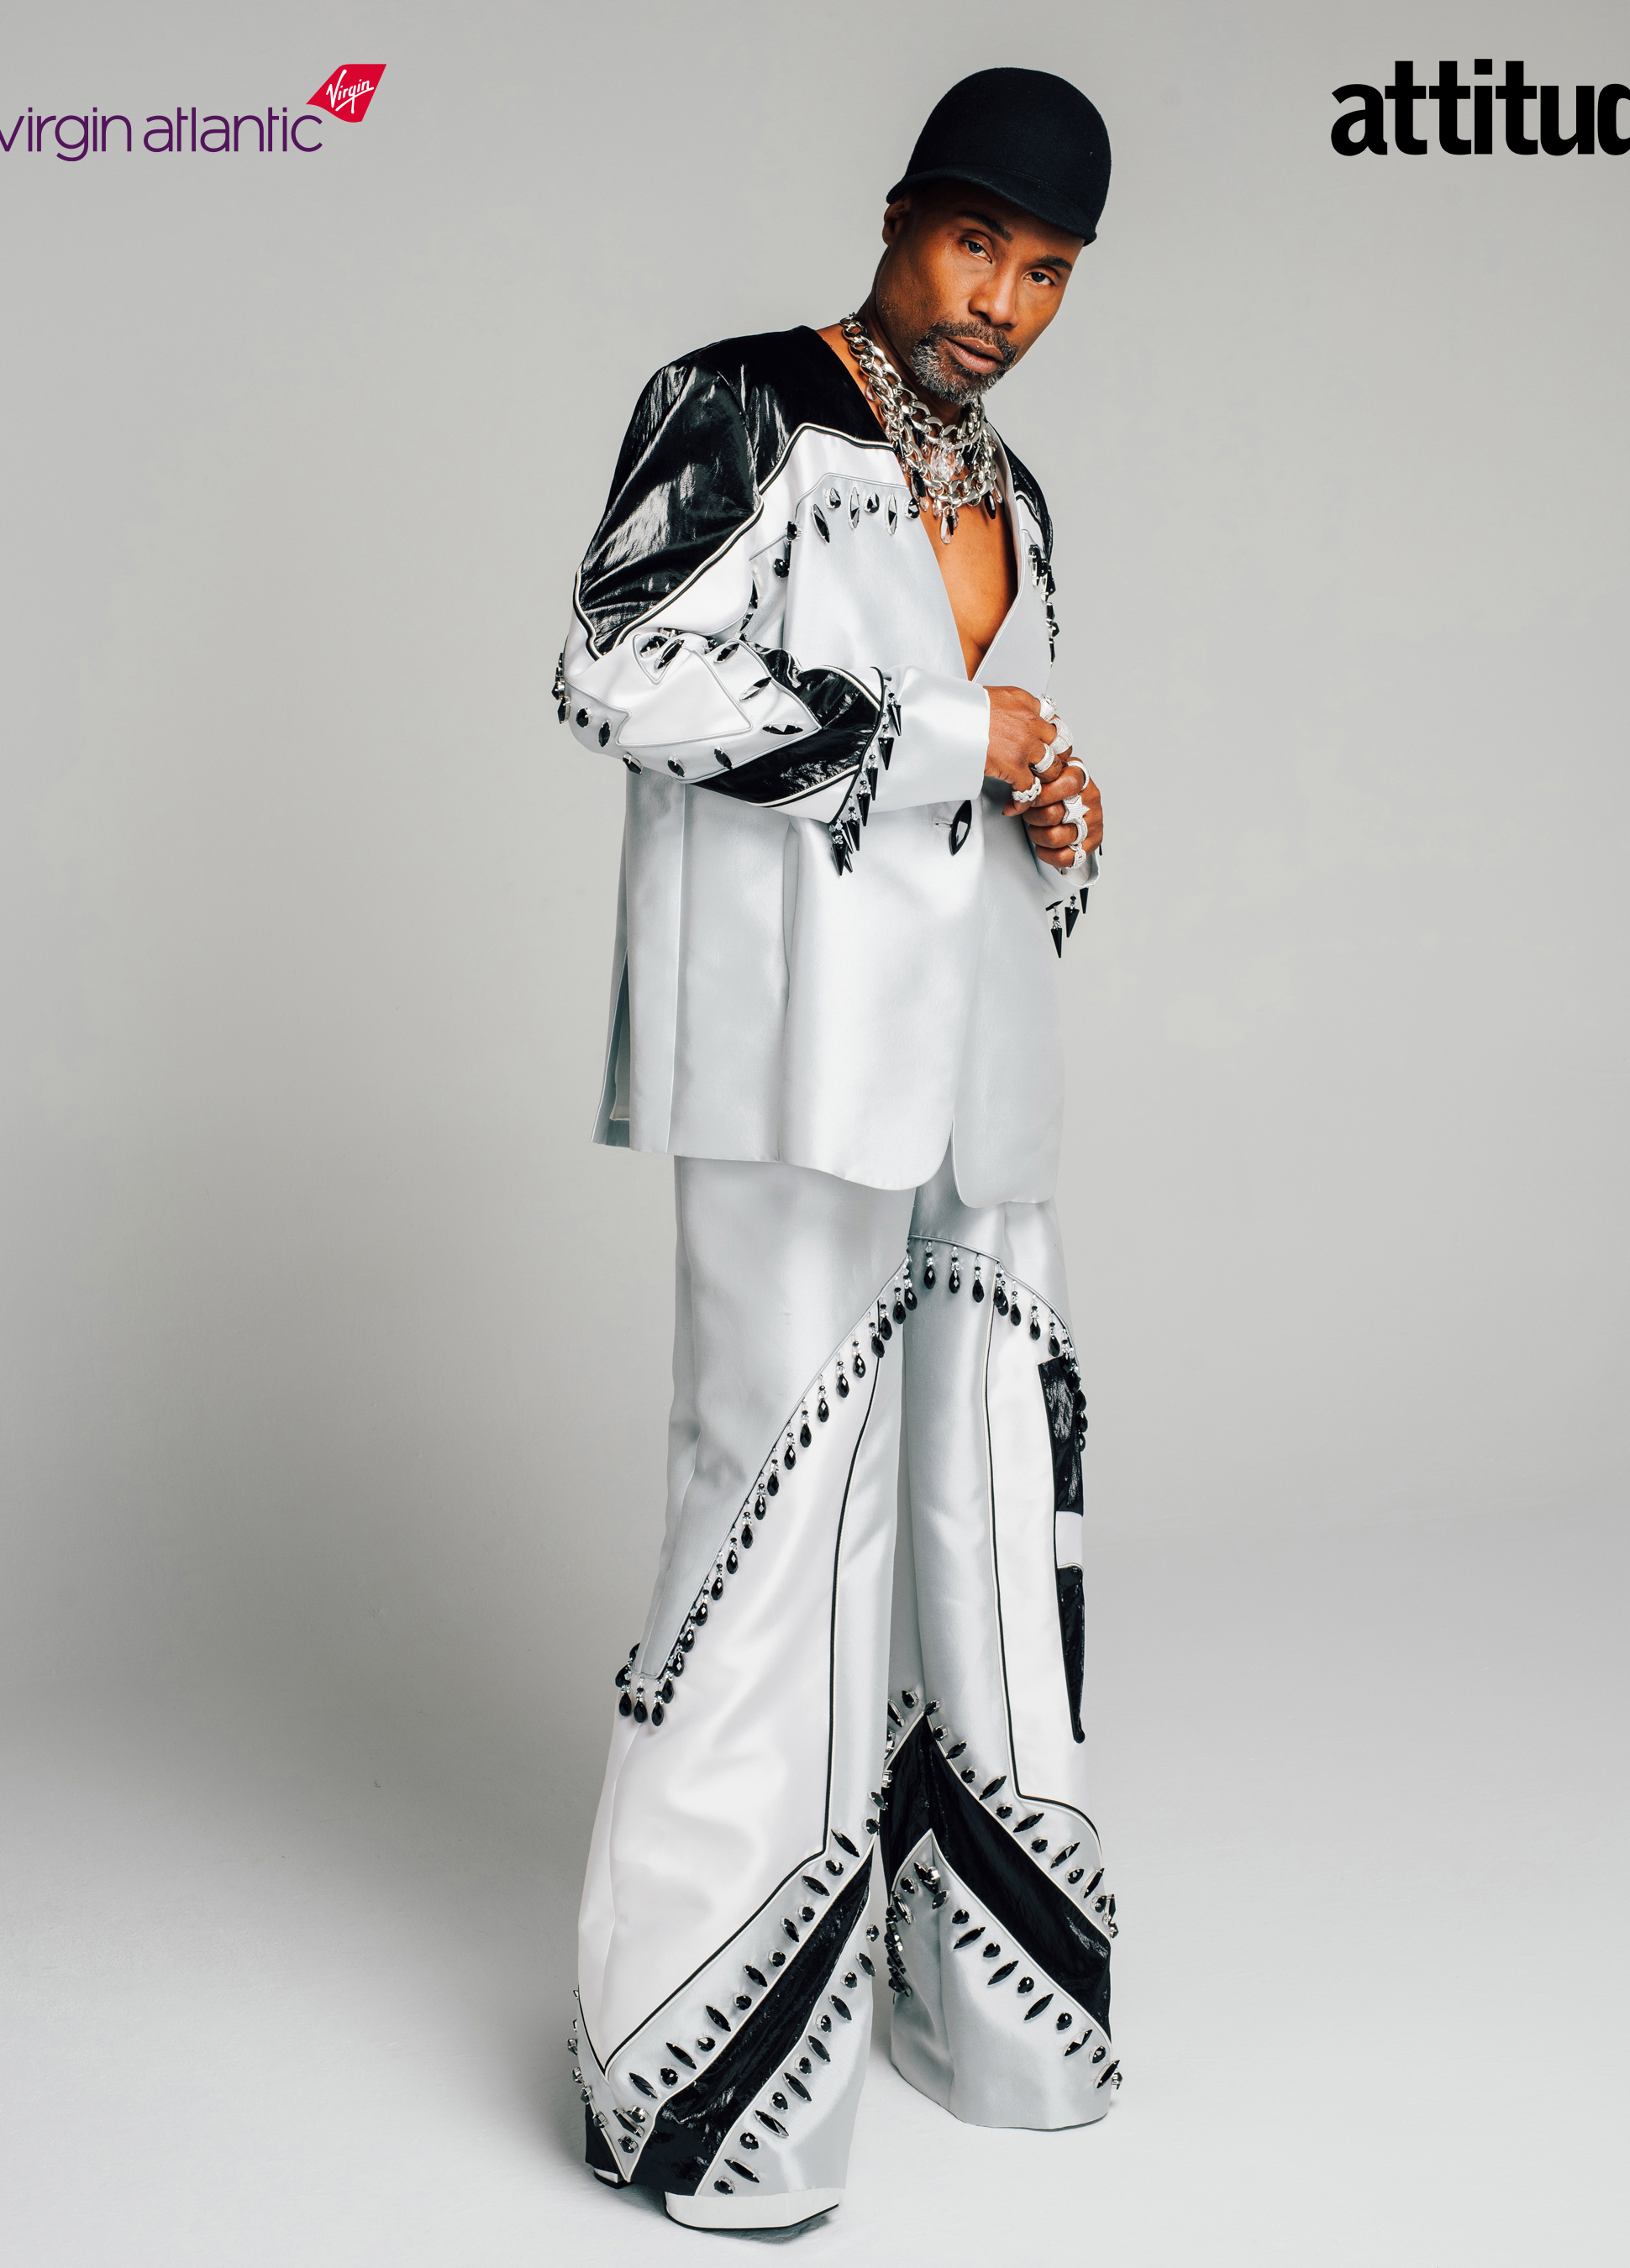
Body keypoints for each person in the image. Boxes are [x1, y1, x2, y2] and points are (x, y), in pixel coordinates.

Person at [557, 66, 1118, 2231]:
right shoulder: (740, 403)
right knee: (775, 1516)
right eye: (978, 245)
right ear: (900, 218)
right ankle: (708, 2100)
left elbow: (972, 777)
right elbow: (621, 665)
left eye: (1048, 273)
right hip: (791, 1065)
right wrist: (958, 736)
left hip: (975, 1059)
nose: (1003, 303)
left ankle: (996, 2025)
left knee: (988, 1504)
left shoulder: (1013, 486)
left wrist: (1053, 811)